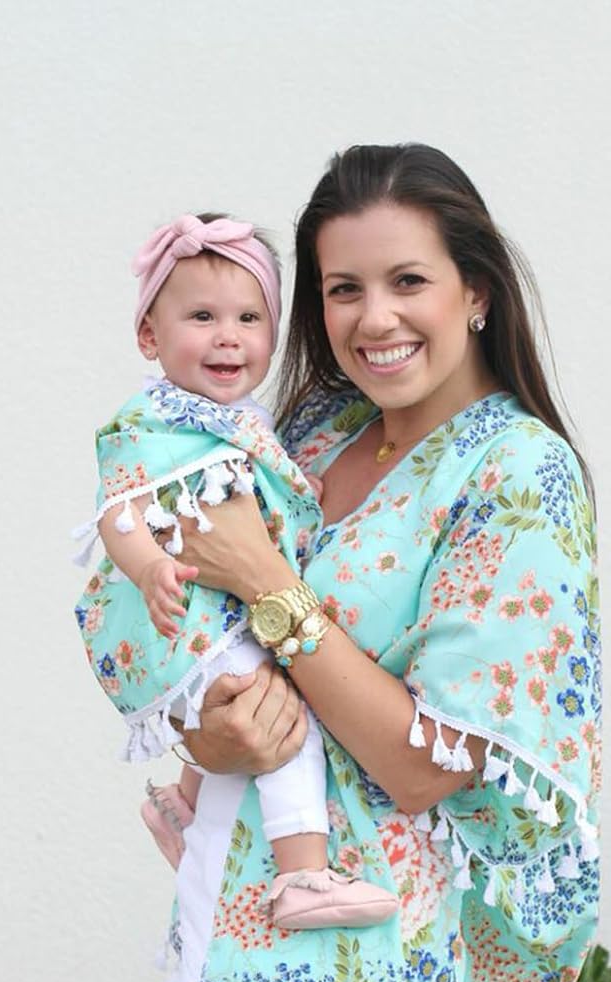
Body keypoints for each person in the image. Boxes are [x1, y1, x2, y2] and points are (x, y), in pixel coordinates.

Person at [144, 144, 600, 982]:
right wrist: (207, 729)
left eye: (407, 280)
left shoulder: (513, 475)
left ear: (473, 290)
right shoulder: (316, 435)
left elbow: (423, 762)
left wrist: (272, 587)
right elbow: (201, 641)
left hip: (340, 953)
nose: (371, 317)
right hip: (236, 914)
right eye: (342, 288)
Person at [74, 212, 397, 930]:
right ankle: (302, 876)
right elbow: (117, 508)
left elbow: (264, 487)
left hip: (219, 608)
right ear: (150, 337)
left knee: (245, 699)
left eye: (250, 317)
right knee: (286, 726)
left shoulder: (245, 419)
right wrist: (151, 564)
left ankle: (184, 810)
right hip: (187, 607)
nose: (229, 335)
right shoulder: (152, 420)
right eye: (202, 316)